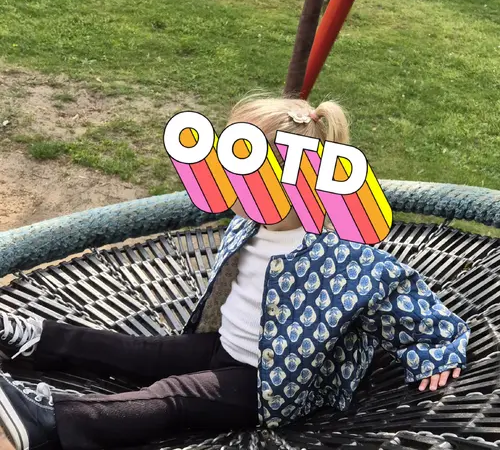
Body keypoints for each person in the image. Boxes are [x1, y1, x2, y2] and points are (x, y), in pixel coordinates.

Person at [0, 95, 470, 450]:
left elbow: (403, 296)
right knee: (141, 351)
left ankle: (52, 421)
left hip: (270, 385)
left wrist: (437, 351)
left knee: (172, 396)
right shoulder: (251, 222)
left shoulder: (344, 257)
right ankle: (35, 339)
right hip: (224, 347)